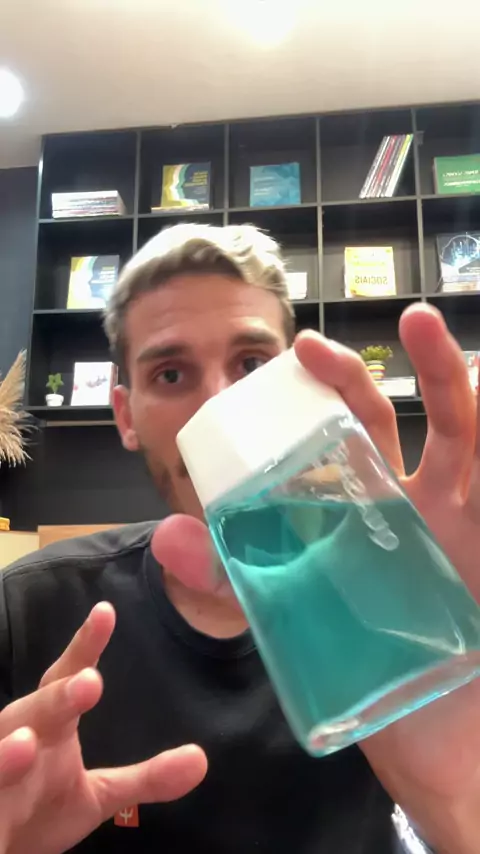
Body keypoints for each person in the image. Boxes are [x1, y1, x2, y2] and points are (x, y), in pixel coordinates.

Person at [0, 223, 479, 854]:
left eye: (252, 365)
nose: (219, 407)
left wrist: (460, 803)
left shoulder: (408, 597)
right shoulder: (26, 610)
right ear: (125, 414)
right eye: (171, 374)